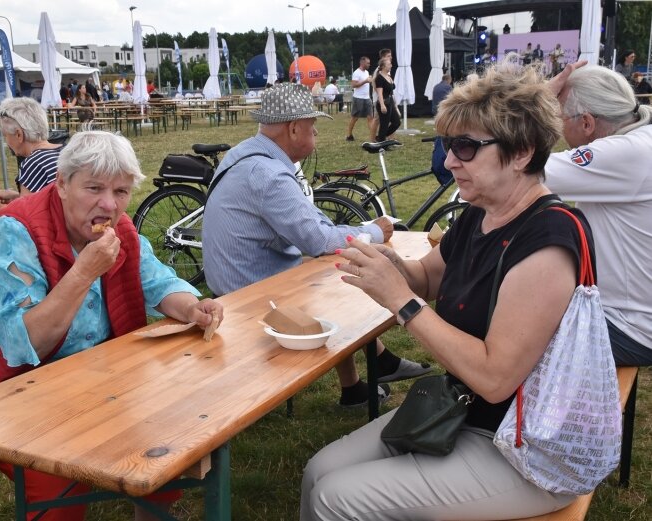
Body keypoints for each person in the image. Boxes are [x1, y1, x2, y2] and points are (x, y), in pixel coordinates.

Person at [301, 62, 595, 520]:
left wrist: (401, 300)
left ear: (522, 152)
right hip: (466, 415)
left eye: (465, 147)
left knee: (334, 497)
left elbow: (495, 379)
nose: (450, 160)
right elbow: (427, 278)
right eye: (447, 145)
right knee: (319, 470)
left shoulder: (548, 243)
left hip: (525, 446)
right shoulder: (481, 213)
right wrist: (389, 264)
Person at [0, 131, 223, 521]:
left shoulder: (117, 229)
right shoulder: (13, 231)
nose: (108, 204)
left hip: (84, 381)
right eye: (94, 188)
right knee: (58, 482)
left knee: (168, 437)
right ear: (62, 185)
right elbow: (24, 343)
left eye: (120, 191)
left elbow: (155, 279)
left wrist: (192, 307)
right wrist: (83, 271)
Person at [203, 83, 430, 408]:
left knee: (330, 276)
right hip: (249, 291)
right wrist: (377, 231)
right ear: (294, 128)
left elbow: (308, 223)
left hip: (234, 278)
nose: (316, 134)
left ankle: (362, 379)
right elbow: (319, 240)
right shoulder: (269, 174)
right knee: (337, 283)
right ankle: (371, 372)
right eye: (313, 127)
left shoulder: (246, 154)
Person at [546, 62, 652, 366]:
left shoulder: (620, 154)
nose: (556, 126)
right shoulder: (639, 140)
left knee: (501, 326)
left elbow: (514, 172)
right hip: (632, 316)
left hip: (628, 327)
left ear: (587, 123)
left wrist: (534, 102)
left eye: (558, 116)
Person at [0, 97, 64, 218]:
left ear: (19, 134)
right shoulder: (65, 152)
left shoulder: (34, 163)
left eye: (6, 135)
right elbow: (48, 202)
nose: (6, 141)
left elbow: (26, 218)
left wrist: (0, 210)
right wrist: (17, 197)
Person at [373, 56, 401, 144]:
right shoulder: (379, 78)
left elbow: (391, 92)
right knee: (384, 124)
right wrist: (382, 105)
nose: (391, 65)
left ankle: (380, 138)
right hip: (384, 102)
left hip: (390, 102)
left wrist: (395, 106)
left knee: (396, 122)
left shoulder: (388, 76)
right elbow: (379, 93)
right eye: (389, 64)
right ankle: (381, 142)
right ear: (384, 66)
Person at [345, 56, 373, 142]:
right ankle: (349, 135)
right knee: (355, 118)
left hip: (367, 98)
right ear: (362, 63)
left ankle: (373, 136)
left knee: (370, 117)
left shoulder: (367, 72)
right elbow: (353, 85)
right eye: (368, 63)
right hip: (358, 98)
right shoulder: (356, 73)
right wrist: (365, 81)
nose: (369, 64)